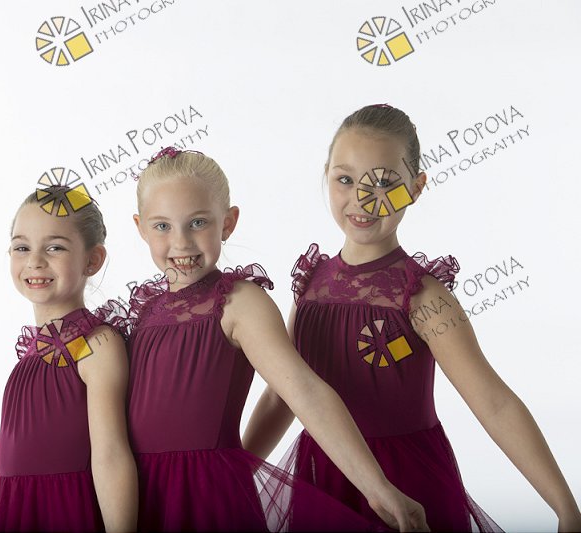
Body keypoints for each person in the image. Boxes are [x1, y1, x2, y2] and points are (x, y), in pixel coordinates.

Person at [242, 104, 581, 532]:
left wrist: (565, 507)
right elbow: (282, 395)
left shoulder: (421, 296)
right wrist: (239, 474)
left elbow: (493, 403)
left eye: (385, 183)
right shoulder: (312, 286)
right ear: (326, 175)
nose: (362, 199)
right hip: (326, 476)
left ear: (416, 188)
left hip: (409, 477)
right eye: (345, 179)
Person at [104, 147, 428, 531]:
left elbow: (303, 390)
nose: (182, 243)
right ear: (140, 227)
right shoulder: (143, 312)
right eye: (162, 226)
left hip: (208, 497)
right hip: (138, 495)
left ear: (228, 223)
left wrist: (376, 488)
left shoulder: (239, 303)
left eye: (198, 222)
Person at [0, 186, 137, 532]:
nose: (35, 261)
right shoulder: (31, 353)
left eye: (54, 247)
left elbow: (110, 456)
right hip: (20, 509)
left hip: (68, 510)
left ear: (92, 260)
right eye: (22, 247)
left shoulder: (96, 345)